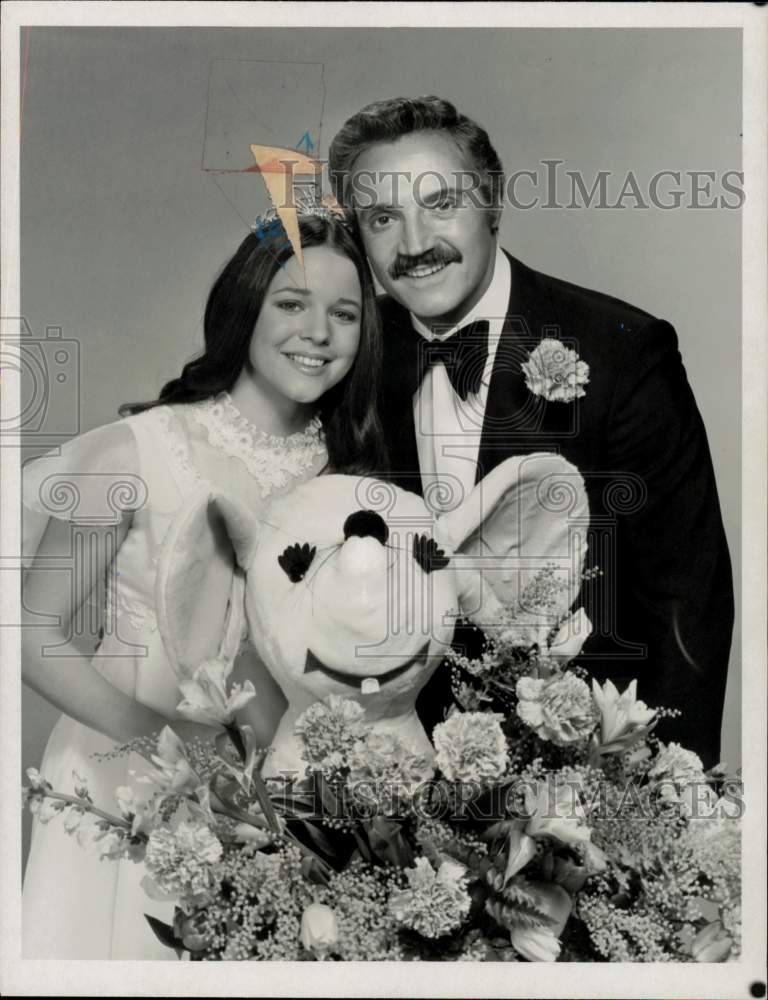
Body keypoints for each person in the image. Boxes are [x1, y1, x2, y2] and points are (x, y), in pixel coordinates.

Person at [21, 205, 387, 959]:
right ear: (243, 308)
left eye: (344, 314)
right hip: (121, 771)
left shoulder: (351, 479)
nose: (317, 333)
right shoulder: (137, 449)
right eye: (291, 304)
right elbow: (26, 632)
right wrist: (169, 743)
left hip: (279, 799)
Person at [328, 95, 734, 767]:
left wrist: (668, 799)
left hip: (581, 778)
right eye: (382, 218)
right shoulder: (350, 351)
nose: (414, 244)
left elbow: (686, 599)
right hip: (395, 778)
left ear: (493, 202)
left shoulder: (622, 353)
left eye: (441, 203)